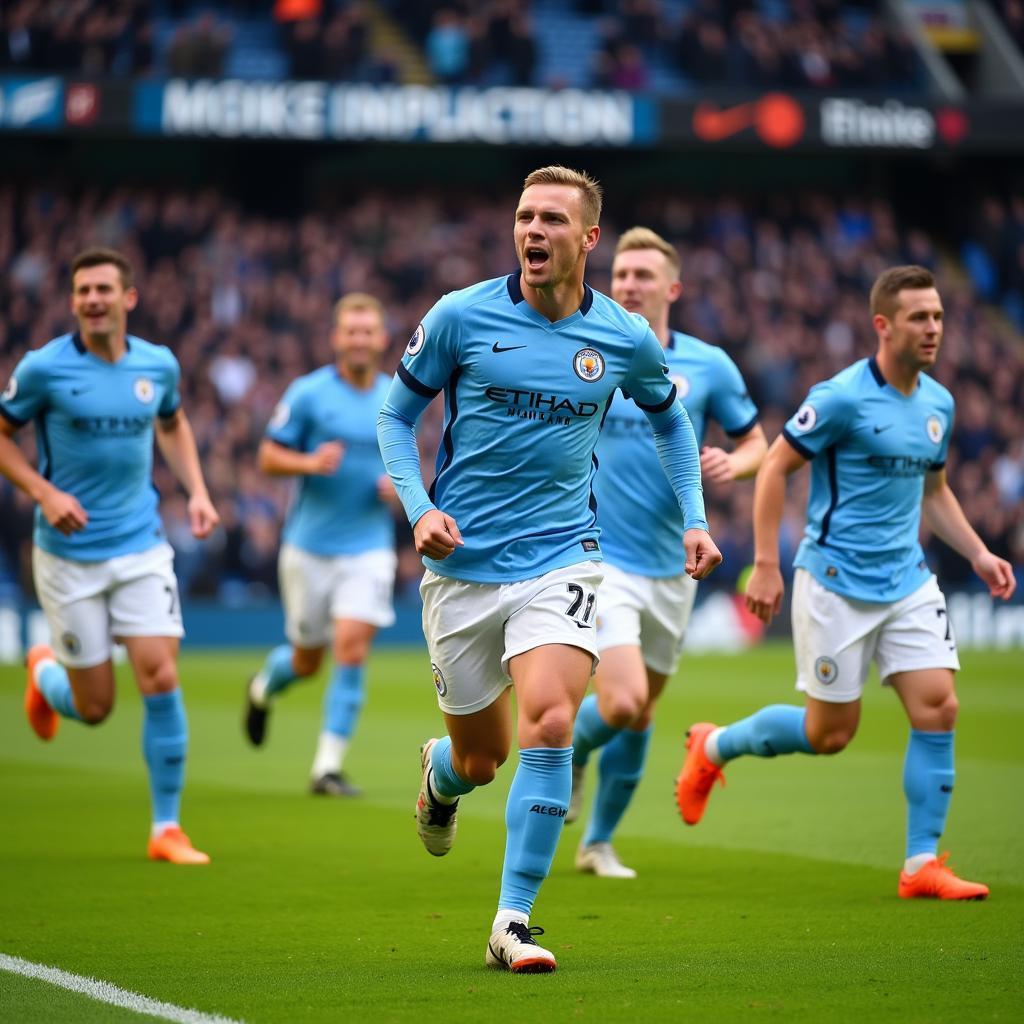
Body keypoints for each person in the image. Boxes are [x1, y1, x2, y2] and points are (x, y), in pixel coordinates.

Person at [377, 166, 722, 973]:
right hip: (463, 568)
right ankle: (439, 775)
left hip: (565, 554)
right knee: (480, 760)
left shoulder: (623, 337)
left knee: (555, 721)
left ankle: (512, 922)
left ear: (588, 238)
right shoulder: (461, 316)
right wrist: (419, 508)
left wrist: (696, 518)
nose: (533, 231)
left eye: (552, 220)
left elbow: (672, 423)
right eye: (525, 217)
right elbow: (396, 416)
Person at [675, 265, 1017, 899]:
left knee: (939, 705)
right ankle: (714, 745)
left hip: (908, 581)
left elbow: (934, 491)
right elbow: (775, 468)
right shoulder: (840, 398)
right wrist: (770, 565)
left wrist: (977, 552)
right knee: (829, 734)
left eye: (939, 316)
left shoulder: (938, 403)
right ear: (883, 326)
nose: (934, 328)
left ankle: (920, 865)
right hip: (834, 582)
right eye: (920, 317)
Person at [0, 247, 219, 865]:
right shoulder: (43, 369)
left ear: (128, 299)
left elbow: (172, 424)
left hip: (141, 545)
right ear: (72, 301)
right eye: (82, 291)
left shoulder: (158, 364)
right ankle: (45, 676)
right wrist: (44, 492)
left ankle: (166, 828)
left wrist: (197, 491)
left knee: (161, 674)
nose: (92, 299)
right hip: (68, 555)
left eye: (103, 289)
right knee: (95, 707)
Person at [567, 227, 767, 878]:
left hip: (675, 567)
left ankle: (598, 842)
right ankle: (565, 750)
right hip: (600, 558)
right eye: (620, 274)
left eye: (642, 276)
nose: (628, 284)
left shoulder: (709, 365)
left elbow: (758, 443)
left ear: (671, 288)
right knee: (621, 702)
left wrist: (734, 464)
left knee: (643, 712)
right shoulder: (585, 347)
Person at [244, 293, 398, 796]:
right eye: (350, 330)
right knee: (307, 660)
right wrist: (309, 464)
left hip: (369, 546)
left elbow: (409, 465)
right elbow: (268, 457)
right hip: (308, 547)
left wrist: (399, 488)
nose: (358, 339)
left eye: (367, 330)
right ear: (336, 338)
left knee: (351, 649)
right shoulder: (308, 393)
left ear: (381, 339)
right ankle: (264, 687)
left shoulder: (397, 395)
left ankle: (326, 767)